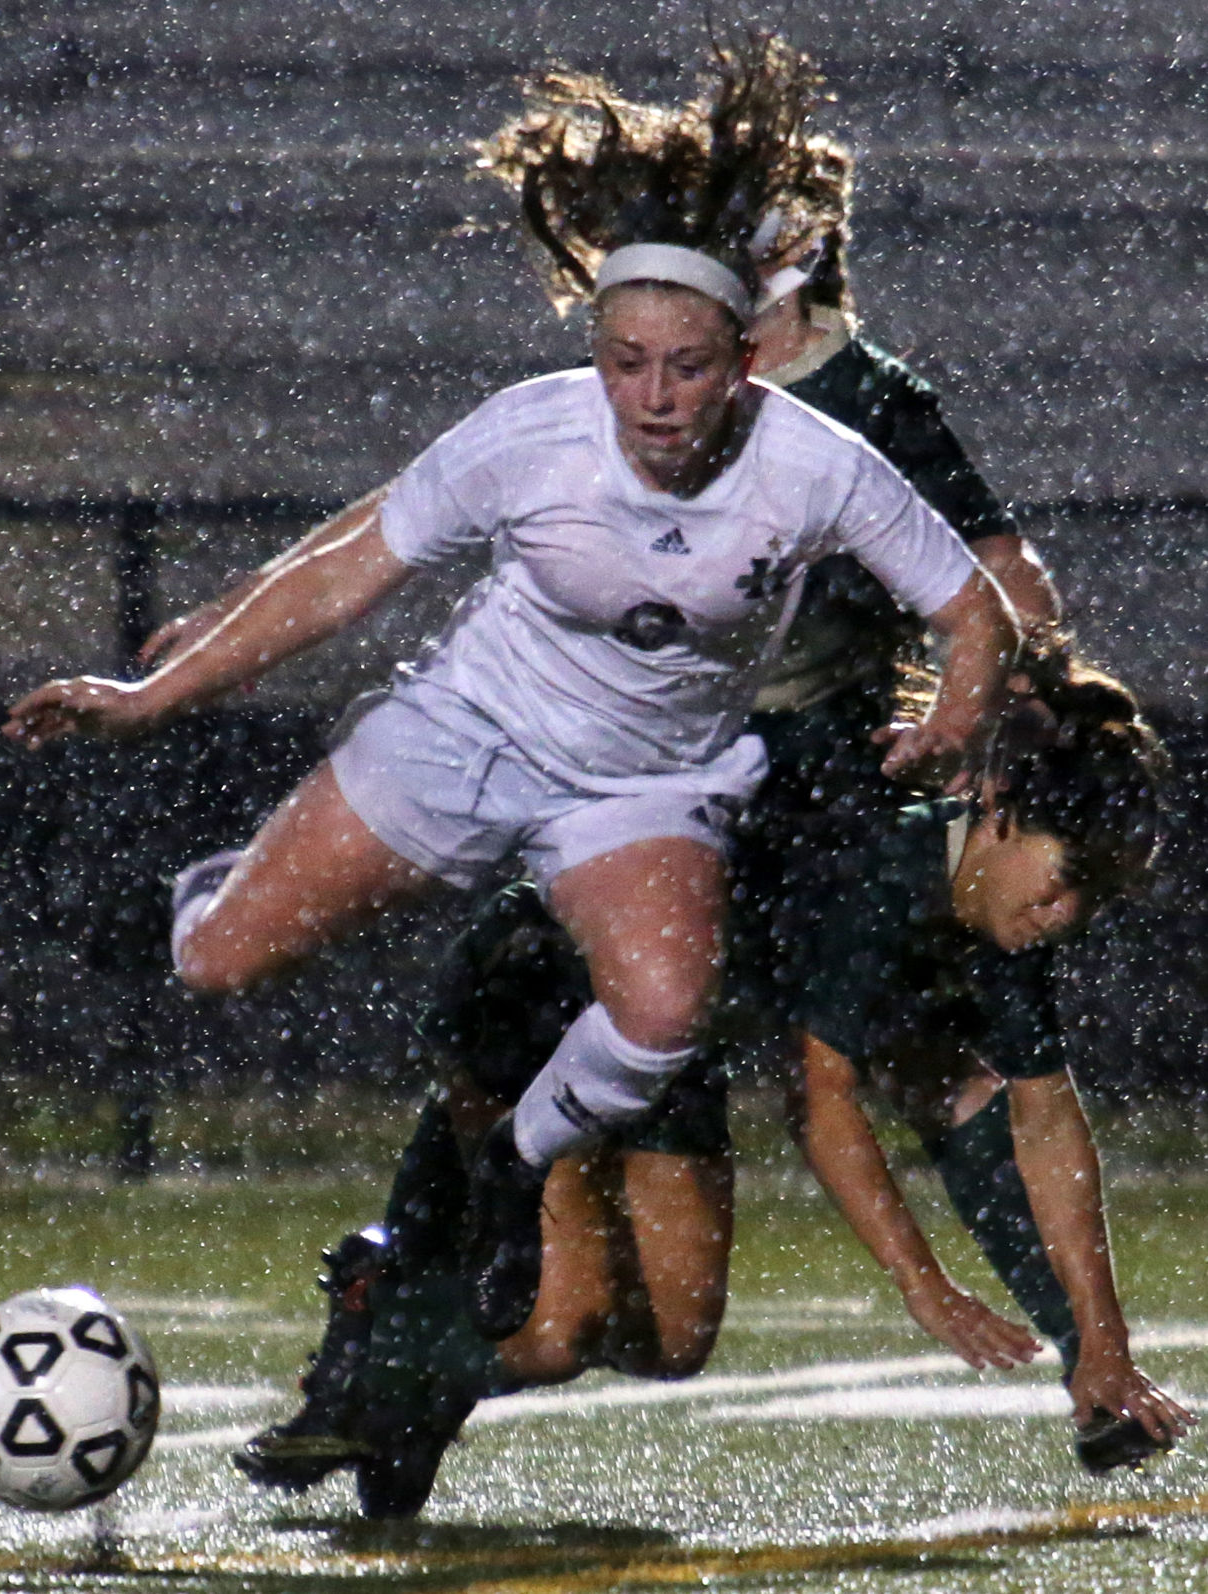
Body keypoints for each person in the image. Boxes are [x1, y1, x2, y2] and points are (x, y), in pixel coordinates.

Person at [3, 26, 1015, 1421]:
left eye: (689, 367)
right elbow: (344, 574)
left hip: (644, 788)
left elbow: (976, 606)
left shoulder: (818, 463)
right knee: (225, 964)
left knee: (659, 1023)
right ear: (597, 350)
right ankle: (201, 905)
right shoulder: (529, 433)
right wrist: (149, 694)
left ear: (745, 357)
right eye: (629, 361)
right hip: (469, 732)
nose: (656, 399)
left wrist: (957, 718)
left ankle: (511, 1163)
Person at [226, 38, 1180, 1513]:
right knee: (539, 1058)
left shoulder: (854, 415)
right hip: (640, 823)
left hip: (771, 832)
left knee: (668, 1321)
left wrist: (1014, 699)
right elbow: (430, 512)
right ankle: (391, 1331)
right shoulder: (640, 396)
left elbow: (1003, 584)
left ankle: (417, 1328)